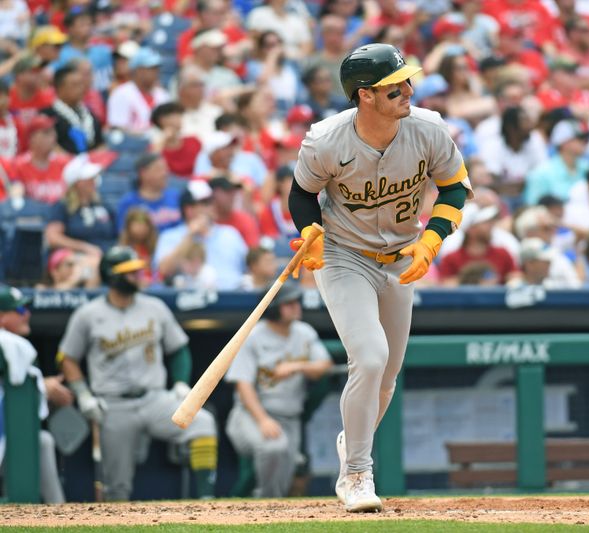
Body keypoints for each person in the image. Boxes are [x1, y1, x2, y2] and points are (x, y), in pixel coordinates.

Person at [287, 43, 471, 512]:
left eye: (408, 81)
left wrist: (432, 239)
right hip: (344, 254)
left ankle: (354, 441)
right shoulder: (326, 139)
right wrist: (308, 231)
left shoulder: (427, 128)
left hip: (400, 258)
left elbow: (453, 187)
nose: (408, 90)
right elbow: (302, 196)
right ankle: (356, 474)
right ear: (365, 95)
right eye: (395, 86)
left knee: (386, 379)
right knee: (369, 359)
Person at [58, 246, 219, 501]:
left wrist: (179, 382)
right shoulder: (87, 315)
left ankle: (206, 500)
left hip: (154, 399)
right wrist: (83, 394)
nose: (138, 276)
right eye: (130, 272)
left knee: (202, 423)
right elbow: (68, 358)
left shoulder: (154, 307)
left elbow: (178, 348)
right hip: (113, 405)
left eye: (138, 271)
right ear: (113, 275)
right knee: (117, 488)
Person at [225, 279, 332, 497]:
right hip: (251, 415)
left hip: (289, 419)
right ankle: (262, 507)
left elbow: (324, 365)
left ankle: (265, 511)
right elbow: (242, 385)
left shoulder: (304, 332)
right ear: (273, 308)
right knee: (273, 447)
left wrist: (297, 366)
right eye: (288, 303)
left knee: (283, 483)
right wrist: (262, 419)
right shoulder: (253, 336)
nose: (296, 306)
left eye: (296, 301)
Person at [0, 285, 68, 504]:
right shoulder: (11, 345)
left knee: (42, 440)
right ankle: (58, 512)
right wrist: (42, 388)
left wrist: (39, 386)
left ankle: (58, 513)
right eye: (19, 311)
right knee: (42, 440)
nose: (27, 314)